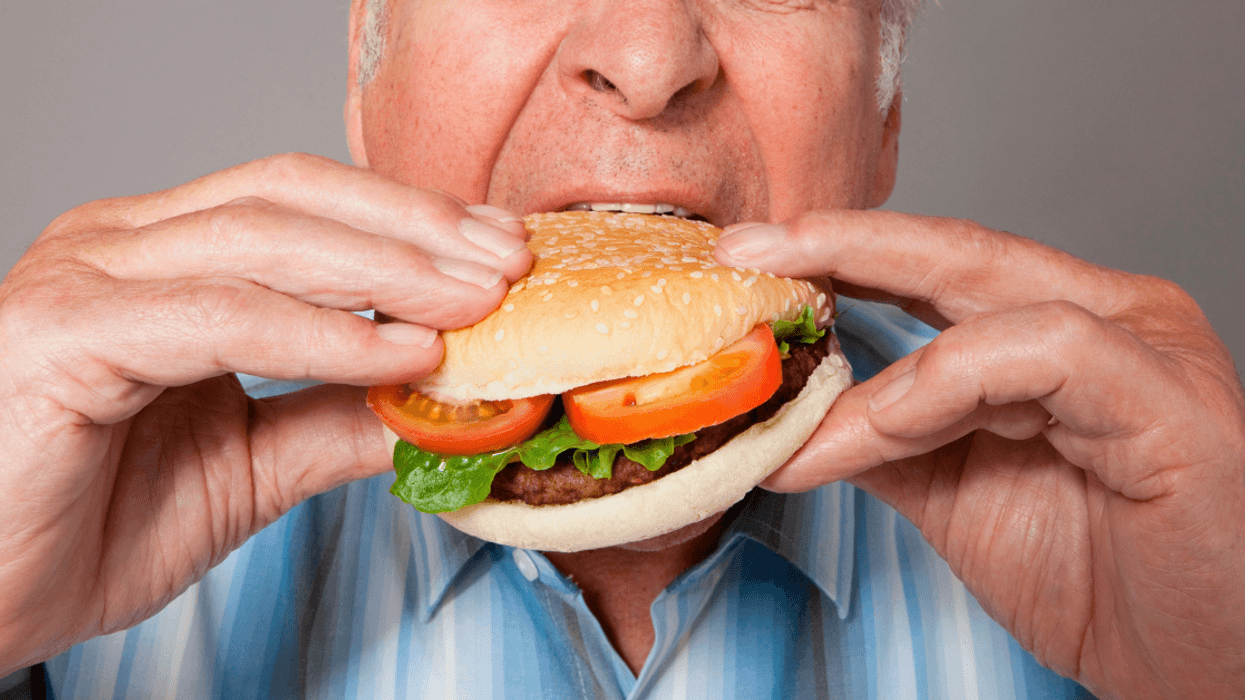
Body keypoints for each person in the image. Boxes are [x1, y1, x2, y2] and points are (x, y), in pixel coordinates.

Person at [1, 0, 1242, 697]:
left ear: (884, 116)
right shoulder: (94, 509)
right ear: (363, 80)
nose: (649, 62)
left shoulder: (1139, 532)